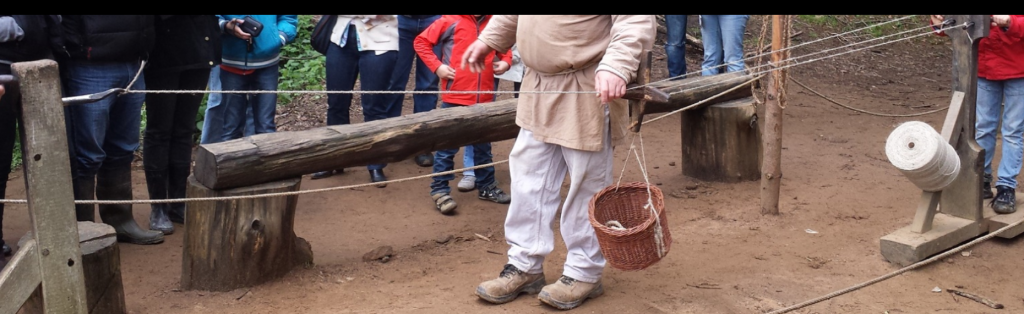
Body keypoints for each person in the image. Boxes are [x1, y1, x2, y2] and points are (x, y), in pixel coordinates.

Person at [463, 15, 656, 310]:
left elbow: (635, 21)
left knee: (585, 185)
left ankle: (584, 273)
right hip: (537, 85)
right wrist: (487, 40)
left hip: (586, 86)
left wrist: (617, 66)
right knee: (528, 179)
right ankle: (525, 266)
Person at [59, 15, 164, 244]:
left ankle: (120, 221)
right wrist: (77, 46)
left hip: (133, 63)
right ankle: (82, 232)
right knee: (87, 155)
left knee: (123, 149)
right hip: (89, 66)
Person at [414, 15, 513, 214]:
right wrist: (438, 67)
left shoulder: (494, 21)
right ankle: (440, 190)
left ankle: (487, 186)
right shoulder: (449, 20)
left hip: (484, 97)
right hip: (455, 96)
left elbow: (505, 46)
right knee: (447, 148)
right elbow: (421, 41)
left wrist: (506, 62)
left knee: (483, 147)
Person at [931, 15, 1024, 214]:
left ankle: (1006, 186)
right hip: (984, 68)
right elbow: (957, 23)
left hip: (1019, 70)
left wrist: (1010, 21)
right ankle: (982, 178)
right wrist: (938, 22)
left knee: (1013, 132)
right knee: (983, 127)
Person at [142, 15, 221, 234]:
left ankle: (178, 203)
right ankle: (158, 207)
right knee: (159, 131)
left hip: (199, 50)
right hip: (162, 54)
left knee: (184, 131)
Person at [1, 14, 63, 260]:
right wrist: (21, 26)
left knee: (49, 153)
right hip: (4, 67)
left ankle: (55, 236)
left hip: (43, 65)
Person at [316, 15, 399, 186]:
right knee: (336, 103)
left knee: (374, 106)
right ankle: (335, 159)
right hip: (341, 41)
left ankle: (376, 164)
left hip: (381, 43)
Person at [216, 15, 297, 142]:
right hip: (231, 62)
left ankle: (268, 161)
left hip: (267, 64)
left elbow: (288, 18)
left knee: (266, 127)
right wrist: (226, 26)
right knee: (231, 128)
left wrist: (279, 38)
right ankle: (232, 161)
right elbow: (210, 19)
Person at [458, 43, 524, 193]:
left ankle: (522, 170)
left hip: (528, 56)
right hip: (490, 53)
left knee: (525, 117)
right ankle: (471, 170)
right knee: (478, 114)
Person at [385, 15, 442, 169]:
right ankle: (390, 140)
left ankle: (421, 145)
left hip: (435, 20)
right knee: (394, 82)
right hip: (400, 20)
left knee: (428, 84)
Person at [200, 65, 254, 145]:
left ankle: (252, 148)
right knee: (218, 99)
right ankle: (209, 148)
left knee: (254, 102)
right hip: (221, 60)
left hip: (251, 60)